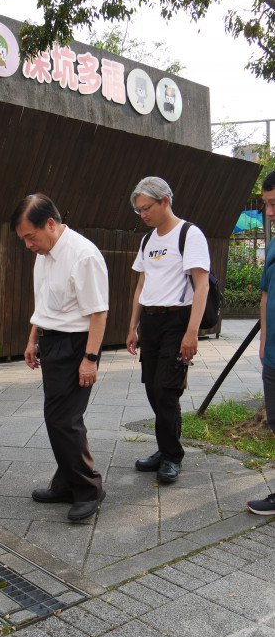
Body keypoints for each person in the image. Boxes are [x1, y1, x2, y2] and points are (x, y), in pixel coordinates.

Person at [10, 193, 109, 521]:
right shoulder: (45, 253)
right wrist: (32, 339)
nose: (28, 245)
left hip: (77, 346)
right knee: (58, 419)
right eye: (23, 238)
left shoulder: (84, 255)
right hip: (52, 342)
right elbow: (45, 304)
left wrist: (90, 359)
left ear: (50, 224)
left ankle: (88, 488)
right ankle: (66, 482)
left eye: (30, 236)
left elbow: (98, 312)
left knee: (64, 420)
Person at [126, 177, 210, 483]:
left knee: (167, 389)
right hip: (150, 322)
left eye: (146, 208)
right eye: (138, 210)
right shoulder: (148, 241)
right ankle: (164, 449)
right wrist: (132, 325)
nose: (143, 214)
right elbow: (141, 284)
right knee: (151, 386)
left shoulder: (189, 234)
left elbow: (200, 286)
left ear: (165, 201)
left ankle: (172, 456)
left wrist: (192, 332)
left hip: (178, 321)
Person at [247, 170, 275, 515]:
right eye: (267, 205)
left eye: (274, 204)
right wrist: (265, 341)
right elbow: (265, 293)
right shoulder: (273, 244)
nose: (269, 212)